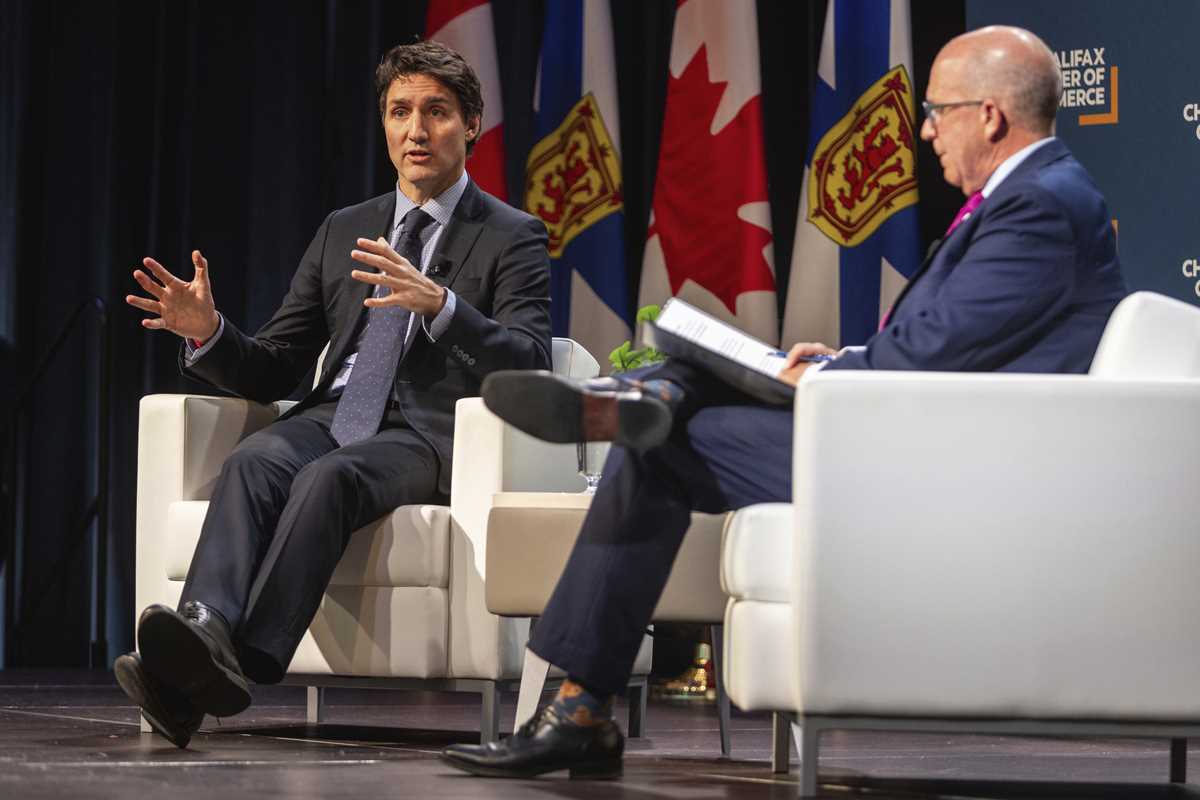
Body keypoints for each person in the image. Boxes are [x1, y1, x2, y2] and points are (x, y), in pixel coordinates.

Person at [440, 25, 1127, 779]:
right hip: (916, 436)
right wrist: (835, 363)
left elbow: (930, 355)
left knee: (659, 437)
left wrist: (831, 375)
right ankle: (643, 402)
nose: (926, 130)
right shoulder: (1038, 196)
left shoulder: (1039, 207)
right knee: (676, 404)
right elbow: (951, 344)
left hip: (941, 467)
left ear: (989, 116)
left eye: (937, 111)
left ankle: (580, 703)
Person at [116, 40, 552, 748]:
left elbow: (531, 359)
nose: (416, 130)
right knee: (253, 460)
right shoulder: (345, 228)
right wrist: (209, 333)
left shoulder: (511, 235)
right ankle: (205, 631)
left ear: (471, 124)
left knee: (330, 478)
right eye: (400, 112)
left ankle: (237, 662)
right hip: (334, 413)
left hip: (423, 435)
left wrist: (441, 307)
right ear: (384, 123)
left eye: (437, 112)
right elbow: (278, 365)